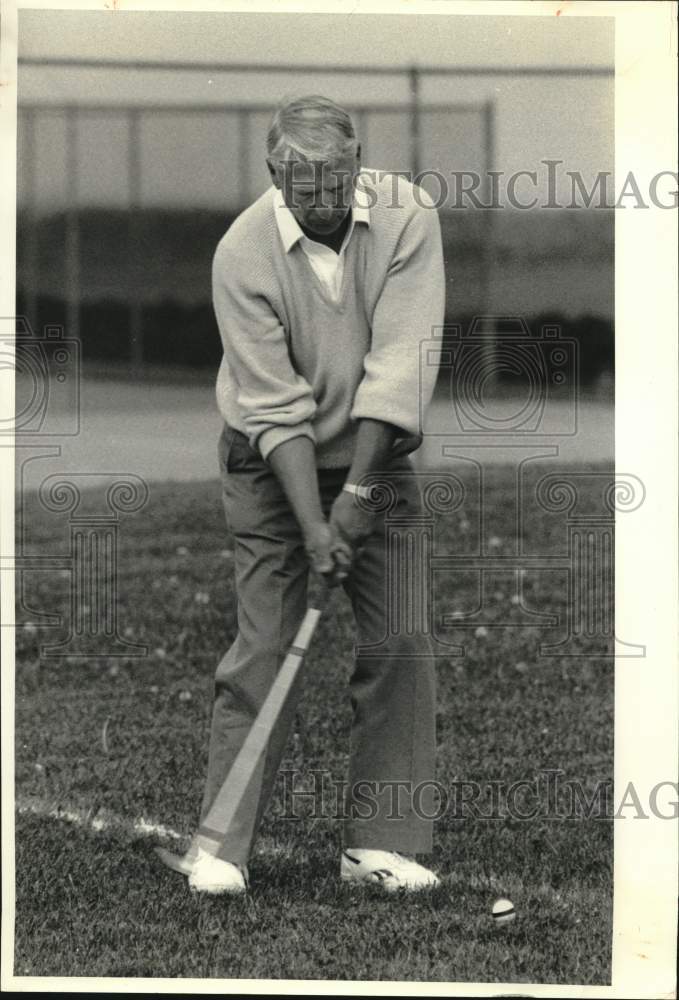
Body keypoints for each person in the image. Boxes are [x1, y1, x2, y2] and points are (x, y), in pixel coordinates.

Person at [190, 95, 445, 894]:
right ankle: (220, 848)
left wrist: (359, 494)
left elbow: (398, 368)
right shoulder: (241, 253)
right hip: (270, 468)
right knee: (264, 649)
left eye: (336, 180)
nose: (323, 200)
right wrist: (313, 522)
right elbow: (273, 407)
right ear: (273, 174)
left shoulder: (406, 215)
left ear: (357, 161)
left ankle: (380, 845)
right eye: (303, 186)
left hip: (376, 455)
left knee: (400, 639)